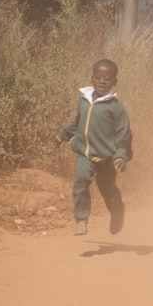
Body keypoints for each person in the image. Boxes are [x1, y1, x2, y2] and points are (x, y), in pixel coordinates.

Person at [58, 59, 132, 236]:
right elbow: (78, 123)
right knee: (81, 180)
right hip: (85, 154)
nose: (102, 81)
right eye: (98, 77)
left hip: (107, 157)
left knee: (107, 189)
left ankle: (117, 210)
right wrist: (62, 135)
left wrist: (120, 156)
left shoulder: (116, 108)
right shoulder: (83, 100)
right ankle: (81, 220)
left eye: (107, 78)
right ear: (92, 78)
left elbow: (124, 135)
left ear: (114, 82)